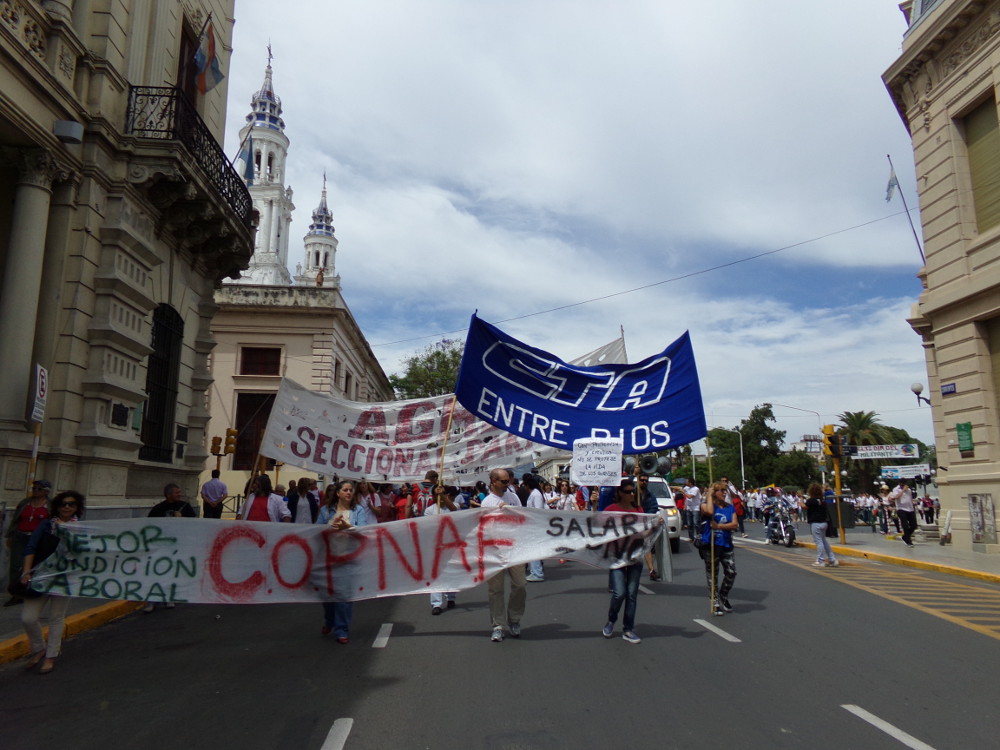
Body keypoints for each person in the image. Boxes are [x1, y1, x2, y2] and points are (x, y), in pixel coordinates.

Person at [19, 490, 85, 674]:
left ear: (77, 508)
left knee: (56, 618)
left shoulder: (81, 528)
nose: (66, 507)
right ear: (56, 506)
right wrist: (26, 572)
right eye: (63, 503)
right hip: (41, 576)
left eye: (71, 504)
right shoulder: (47, 525)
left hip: (64, 579)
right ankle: (39, 647)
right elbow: (31, 547)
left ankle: (51, 655)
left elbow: (85, 555)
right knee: (28, 617)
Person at [316, 479, 372, 643]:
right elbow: (315, 530)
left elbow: (362, 531)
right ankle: (329, 620)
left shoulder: (358, 511)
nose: (349, 492)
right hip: (327, 557)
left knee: (344, 596)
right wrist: (328, 528)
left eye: (350, 490)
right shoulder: (326, 511)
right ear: (338, 493)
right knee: (327, 596)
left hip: (348, 559)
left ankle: (342, 630)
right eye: (345, 490)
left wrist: (346, 527)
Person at [481, 468, 526, 642]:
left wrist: (511, 511)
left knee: (520, 585)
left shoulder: (513, 497)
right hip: (495, 551)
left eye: (510, 481)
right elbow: (484, 528)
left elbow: (524, 518)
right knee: (496, 590)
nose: (509, 484)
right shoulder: (487, 502)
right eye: (504, 481)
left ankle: (514, 619)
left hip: (515, 548)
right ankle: (498, 625)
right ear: (493, 482)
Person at [601, 479, 649, 643]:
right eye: (628, 491)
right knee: (619, 593)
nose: (631, 494)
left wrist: (655, 525)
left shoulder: (638, 510)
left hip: (635, 557)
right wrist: (593, 504)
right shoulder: (611, 510)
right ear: (620, 493)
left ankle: (628, 629)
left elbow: (642, 533)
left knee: (631, 595)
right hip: (617, 558)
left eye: (632, 491)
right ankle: (611, 620)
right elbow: (597, 527)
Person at [4, 479, 52, 607]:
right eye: (34, 488)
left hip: (38, 539)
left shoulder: (50, 506)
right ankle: (16, 593)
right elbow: (16, 520)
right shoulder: (25, 503)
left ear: (46, 492)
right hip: (20, 536)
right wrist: (10, 535)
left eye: (39, 489)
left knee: (35, 565)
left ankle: (34, 590)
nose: (35, 491)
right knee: (15, 566)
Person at [700, 481, 739, 617]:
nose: (724, 493)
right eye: (721, 490)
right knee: (712, 575)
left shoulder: (729, 508)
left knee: (731, 572)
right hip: (711, 545)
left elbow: (734, 524)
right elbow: (709, 511)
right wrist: (709, 496)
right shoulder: (706, 505)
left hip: (726, 544)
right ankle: (714, 601)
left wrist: (719, 527)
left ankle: (723, 595)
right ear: (714, 493)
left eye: (725, 491)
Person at [423, 484, 458, 614]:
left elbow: (455, 510)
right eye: (438, 495)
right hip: (435, 546)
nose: (441, 497)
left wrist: (442, 495)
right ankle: (436, 604)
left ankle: (451, 596)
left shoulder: (453, 507)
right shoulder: (429, 510)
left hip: (450, 545)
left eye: (444, 494)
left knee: (450, 572)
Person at [802, 483, 839, 567]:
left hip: (816, 523)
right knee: (824, 541)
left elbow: (804, 507)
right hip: (824, 523)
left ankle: (820, 560)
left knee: (819, 542)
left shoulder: (811, 500)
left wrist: (800, 501)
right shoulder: (822, 501)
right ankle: (832, 559)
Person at [524, 475, 546, 582]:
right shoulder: (534, 494)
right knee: (532, 550)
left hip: (535, 526)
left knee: (534, 550)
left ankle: (537, 573)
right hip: (532, 525)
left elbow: (538, 510)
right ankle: (535, 571)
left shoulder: (536, 494)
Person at [890, 481, 918, 547]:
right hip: (901, 509)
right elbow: (896, 497)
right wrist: (903, 490)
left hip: (910, 508)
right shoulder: (896, 489)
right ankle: (908, 541)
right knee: (905, 525)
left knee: (914, 525)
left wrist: (913, 502)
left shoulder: (909, 490)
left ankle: (905, 536)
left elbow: (910, 497)